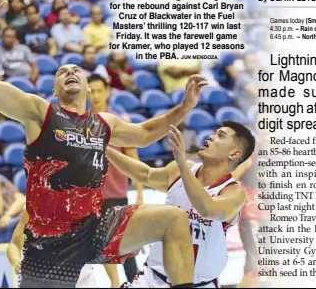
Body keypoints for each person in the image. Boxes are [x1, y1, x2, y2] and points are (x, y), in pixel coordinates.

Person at [0, 0, 207, 289]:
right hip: (50, 238)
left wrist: (184, 106)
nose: (70, 72)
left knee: (174, 219)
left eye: (77, 72)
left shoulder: (104, 122)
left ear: (88, 88)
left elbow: (146, 133)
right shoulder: (39, 112)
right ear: (55, 89)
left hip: (94, 226)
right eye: (62, 72)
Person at [106, 121, 254, 288]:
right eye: (214, 132)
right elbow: (145, 174)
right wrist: (104, 148)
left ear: (234, 153)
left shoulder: (233, 193)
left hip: (200, 284)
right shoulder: (180, 169)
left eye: (221, 136)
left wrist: (183, 167)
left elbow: (208, 209)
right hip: (152, 280)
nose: (212, 136)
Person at [88, 74, 143, 282]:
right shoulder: (79, 125)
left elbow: (135, 162)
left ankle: (134, 284)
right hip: (88, 198)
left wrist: (139, 194)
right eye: (91, 91)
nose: (95, 96)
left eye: (99, 90)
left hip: (115, 196)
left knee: (124, 246)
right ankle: (114, 283)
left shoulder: (119, 124)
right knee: (99, 246)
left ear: (108, 92)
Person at [7, 211, 120, 288]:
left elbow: (104, 248)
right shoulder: (31, 212)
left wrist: (115, 281)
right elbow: (14, 245)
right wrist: (16, 261)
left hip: (80, 281)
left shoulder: (86, 211)